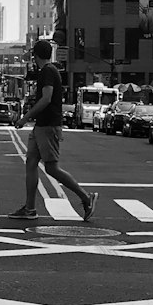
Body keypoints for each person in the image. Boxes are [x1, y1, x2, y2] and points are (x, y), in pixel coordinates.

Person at [8, 39, 97, 222]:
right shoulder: (48, 71)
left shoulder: (48, 71)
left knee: (51, 168)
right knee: (31, 163)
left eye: (33, 54)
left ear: (36, 55)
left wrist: (26, 118)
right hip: (42, 125)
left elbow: (47, 98)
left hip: (48, 126)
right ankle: (30, 209)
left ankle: (86, 198)